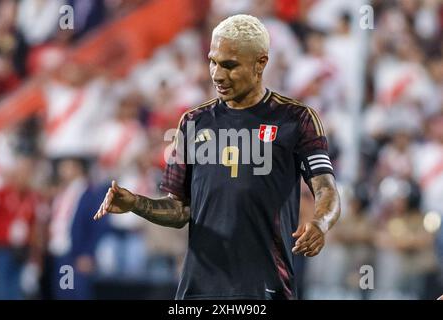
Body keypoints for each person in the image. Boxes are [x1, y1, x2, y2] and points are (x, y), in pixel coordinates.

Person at [94, 14, 340, 300]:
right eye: (212, 61)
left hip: (264, 287)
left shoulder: (296, 119)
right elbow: (180, 210)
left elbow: (326, 189)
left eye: (230, 65)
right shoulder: (193, 122)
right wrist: (135, 203)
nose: (217, 75)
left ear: (260, 63)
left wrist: (320, 223)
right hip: (198, 290)